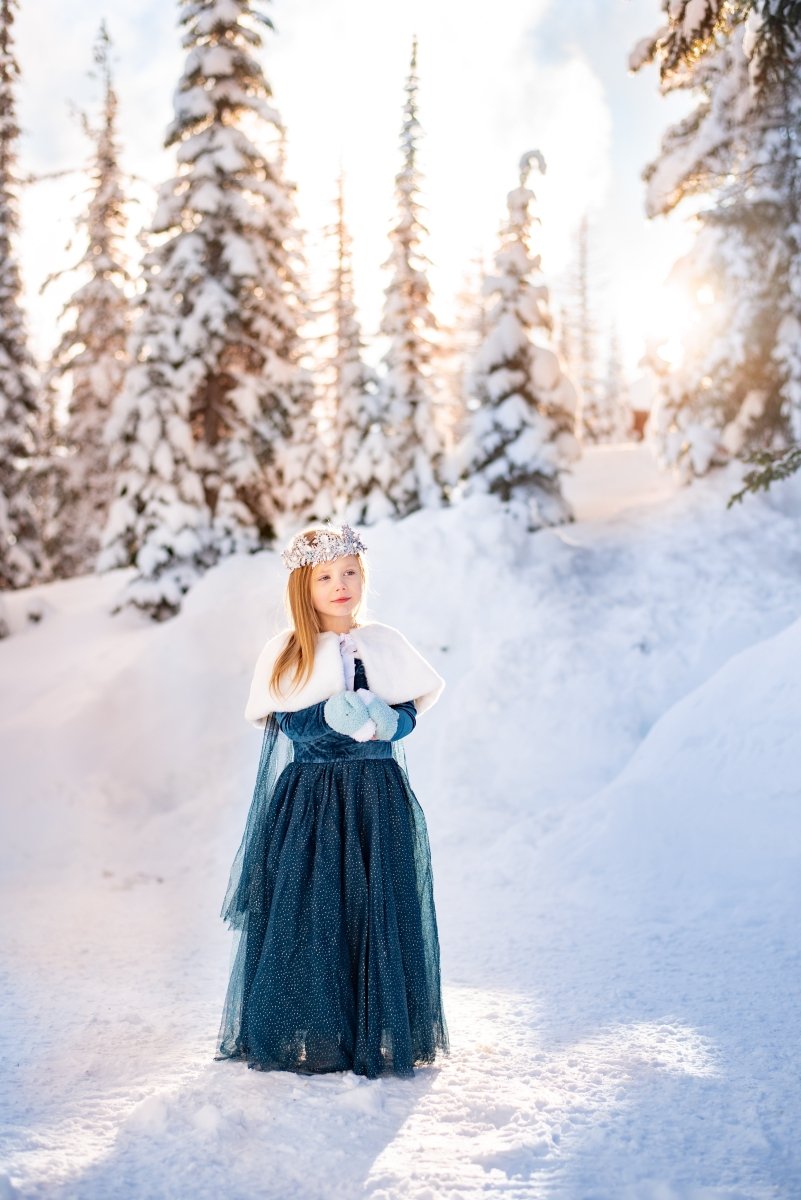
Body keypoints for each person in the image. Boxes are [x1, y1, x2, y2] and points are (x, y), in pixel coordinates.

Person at [214, 520, 450, 1079]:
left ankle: (379, 1028)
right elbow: (284, 722)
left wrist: (398, 721)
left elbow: (412, 704)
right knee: (317, 907)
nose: (340, 585)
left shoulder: (384, 643)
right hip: (315, 800)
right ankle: (320, 1031)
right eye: (326, 577)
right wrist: (324, 716)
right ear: (305, 586)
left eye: (349, 573)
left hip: (377, 795)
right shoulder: (288, 651)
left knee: (378, 905)